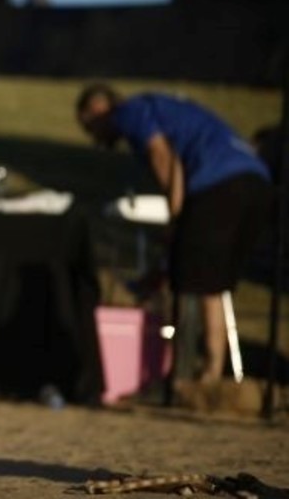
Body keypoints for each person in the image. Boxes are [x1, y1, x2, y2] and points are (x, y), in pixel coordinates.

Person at [75, 83, 272, 384]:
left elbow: (160, 154)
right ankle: (212, 371)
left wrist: (175, 214)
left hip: (219, 183)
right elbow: (177, 160)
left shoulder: (130, 112)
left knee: (193, 279)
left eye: (89, 126)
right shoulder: (165, 108)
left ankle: (187, 374)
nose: (94, 137)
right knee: (213, 282)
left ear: (98, 109)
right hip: (257, 184)